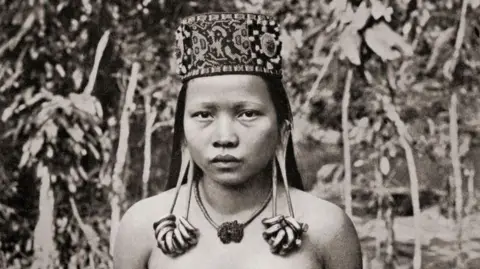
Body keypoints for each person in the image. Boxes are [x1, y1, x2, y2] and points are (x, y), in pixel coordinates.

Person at [113, 12, 362, 269]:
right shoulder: (141, 228)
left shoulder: (328, 229)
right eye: (203, 115)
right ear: (183, 132)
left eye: (247, 114)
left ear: (282, 131)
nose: (225, 138)